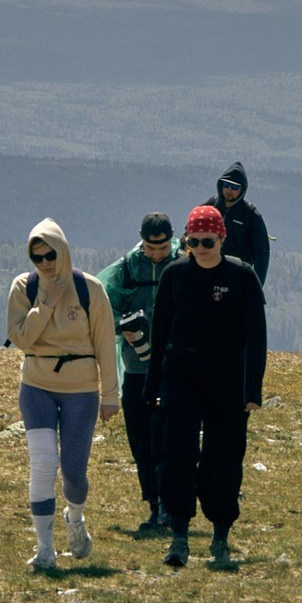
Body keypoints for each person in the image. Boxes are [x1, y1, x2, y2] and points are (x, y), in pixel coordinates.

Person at [146, 204, 266, 571]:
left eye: (207, 241)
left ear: (222, 238)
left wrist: (252, 390)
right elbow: (160, 332)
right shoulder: (175, 275)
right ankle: (179, 534)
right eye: (194, 242)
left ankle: (220, 534)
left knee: (223, 456)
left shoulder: (242, 276)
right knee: (178, 451)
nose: (200, 248)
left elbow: (256, 337)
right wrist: (152, 385)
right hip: (181, 374)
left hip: (227, 377)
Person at [5, 219, 121, 570]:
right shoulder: (23, 288)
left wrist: (110, 395)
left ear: (63, 252)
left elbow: (105, 343)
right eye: (37, 258)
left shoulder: (90, 289)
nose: (45, 263)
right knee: (43, 464)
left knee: (73, 471)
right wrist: (47, 306)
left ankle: (75, 516)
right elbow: (21, 339)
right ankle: (45, 549)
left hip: (80, 391)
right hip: (36, 386)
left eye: (50, 255)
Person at [98, 212, 177, 535]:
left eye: (162, 248)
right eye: (150, 248)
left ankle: (170, 505)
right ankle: (154, 504)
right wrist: (125, 326)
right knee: (141, 441)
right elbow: (104, 309)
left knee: (167, 438)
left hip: (173, 368)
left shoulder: (183, 262)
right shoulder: (127, 269)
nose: (156, 254)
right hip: (136, 369)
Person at [204, 162, 272, 283]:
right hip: (208, 274)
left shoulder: (250, 215)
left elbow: (262, 254)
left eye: (235, 187)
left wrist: (256, 287)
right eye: (226, 184)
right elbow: (190, 232)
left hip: (238, 278)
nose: (229, 190)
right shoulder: (210, 206)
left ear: (242, 189)